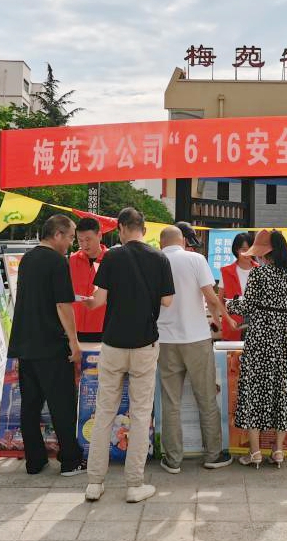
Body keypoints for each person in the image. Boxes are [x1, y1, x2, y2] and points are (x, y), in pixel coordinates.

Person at [84, 207, 175, 503]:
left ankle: (95, 483)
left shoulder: (112, 257)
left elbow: (98, 300)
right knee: (139, 413)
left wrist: (87, 302)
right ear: (143, 229)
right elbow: (168, 301)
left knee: (104, 412)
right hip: (145, 344)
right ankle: (134, 484)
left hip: (113, 344)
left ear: (122, 228)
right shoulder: (159, 258)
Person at [8, 214, 85, 477]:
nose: (71, 243)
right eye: (70, 237)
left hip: (25, 344)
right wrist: (74, 342)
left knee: (30, 406)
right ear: (57, 234)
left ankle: (35, 460)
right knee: (62, 404)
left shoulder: (27, 259)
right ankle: (70, 460)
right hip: (51, 345)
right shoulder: (57, 261)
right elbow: (63, 305)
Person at [157, 225, 233, 474]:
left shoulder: (155, 260)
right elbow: (210, 297)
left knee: (171, 401)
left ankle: (173, 460)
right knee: (206, 398)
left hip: (165, 340)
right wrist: (220, 320)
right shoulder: (195, 259)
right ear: (182, 241)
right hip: (197, 338)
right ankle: (213, 455)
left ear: (161, 243)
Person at [225, 230, 287, 469]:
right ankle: (278, 451)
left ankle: (255, 452)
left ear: (266, 253)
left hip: (258, 340)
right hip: (280, 340)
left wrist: (230, 303)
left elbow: (247, 305)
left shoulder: (258, 274)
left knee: (254, 391)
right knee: (281, 391)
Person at [69, 217, 108, 350]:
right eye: (80, 240)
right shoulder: (72, 260)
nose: (84, 244)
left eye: (88, 239)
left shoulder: (112, 259)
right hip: (75, 330)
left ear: (99, 235)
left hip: (104, 329)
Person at [218, 232, 255, 341]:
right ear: (236, 250)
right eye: (243, 249)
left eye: (250, 249)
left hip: (256, 326)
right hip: (232, 324)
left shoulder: (260, 271)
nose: (247, 253)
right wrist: (228, 319)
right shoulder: (226, 271)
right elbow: (220, 300)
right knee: (232, 352)